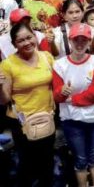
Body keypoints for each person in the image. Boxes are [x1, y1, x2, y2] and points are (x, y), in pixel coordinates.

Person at [52, 23, 94, 187]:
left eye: (84, 40)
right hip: (71, 120)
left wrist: (71, 99)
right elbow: (56, 96)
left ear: (90, 42)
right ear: (70, 40)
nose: (80, 44)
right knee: (81, 159)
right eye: (76, 40)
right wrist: (62, 92)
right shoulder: (59, 65)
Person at [0, 23, 55, 186]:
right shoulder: (7, 65)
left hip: (48, 119)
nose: (27, 43)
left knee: (47, 165)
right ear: (14, 44)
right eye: (21, 40)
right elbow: (4, 100)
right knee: (27, 166)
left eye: (29, 37)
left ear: (35, 37)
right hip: (23, 124)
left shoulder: (47, 57)